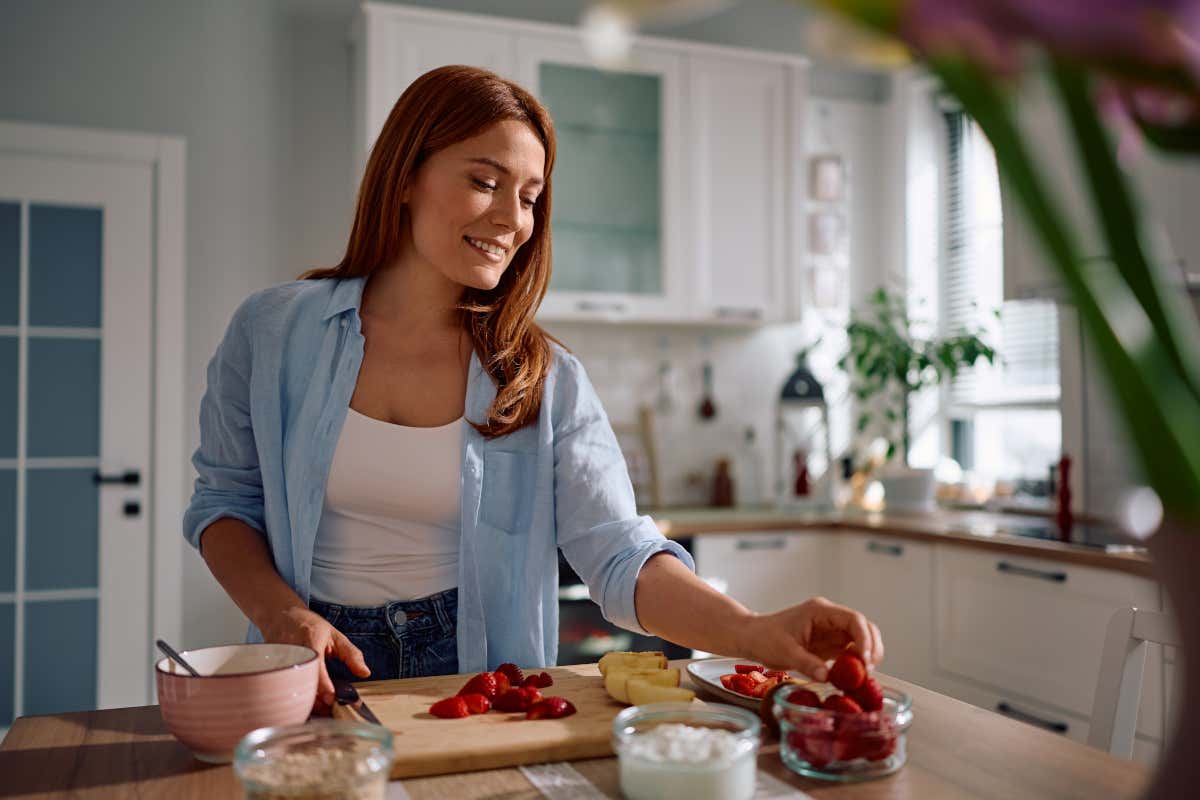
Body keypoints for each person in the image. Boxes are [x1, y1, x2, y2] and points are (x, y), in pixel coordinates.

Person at [184, 65, 883, 710]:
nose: (512, 219)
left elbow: (617, 550)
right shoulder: (274, 332)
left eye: (530, 197)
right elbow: (225, 504)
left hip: (477, 676)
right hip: (304, 662)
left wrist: (754, 631)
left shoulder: (542, 379)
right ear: (405, 175)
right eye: (485, 182)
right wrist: (283, 613)